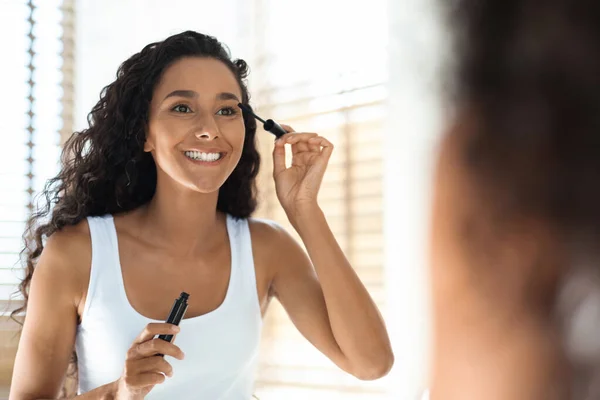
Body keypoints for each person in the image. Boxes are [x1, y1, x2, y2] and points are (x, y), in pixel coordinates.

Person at [8, 31, 393, 400]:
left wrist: (304, 210)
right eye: (182, 107)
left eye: (226, 110)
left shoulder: (267, 249)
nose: (209, 129)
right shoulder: (77, 253)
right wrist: (119, 392)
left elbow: (370, 363)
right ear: (143, 133)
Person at [429, 1, 600, 399]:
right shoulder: (492, 162)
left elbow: (371, 363)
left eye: (247, 111)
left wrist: (305, 211)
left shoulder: (491, 157)